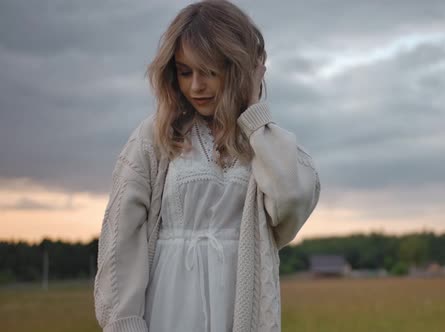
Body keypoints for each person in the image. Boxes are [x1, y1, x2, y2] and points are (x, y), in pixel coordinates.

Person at [92, 1, 321, 331]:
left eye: (209, 71)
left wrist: (254, 114)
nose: (196, 86)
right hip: (169, 306)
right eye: (185, 72)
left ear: (237, 68)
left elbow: (290, 206)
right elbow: (120, 241)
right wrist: (126, 323)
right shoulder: (155, 136)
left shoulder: (262, 141)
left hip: (239, 306)